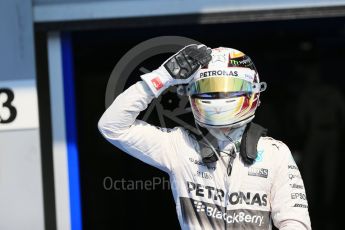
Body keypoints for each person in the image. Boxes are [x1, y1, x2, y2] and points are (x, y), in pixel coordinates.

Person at [98, 45, 311, 229]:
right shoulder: (179, 146)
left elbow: (295, 223)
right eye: (208, 88)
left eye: (229, 89)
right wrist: (162, 77)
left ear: (253, 92)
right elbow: (112, 126)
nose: (218, 96)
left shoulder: (276, 154)